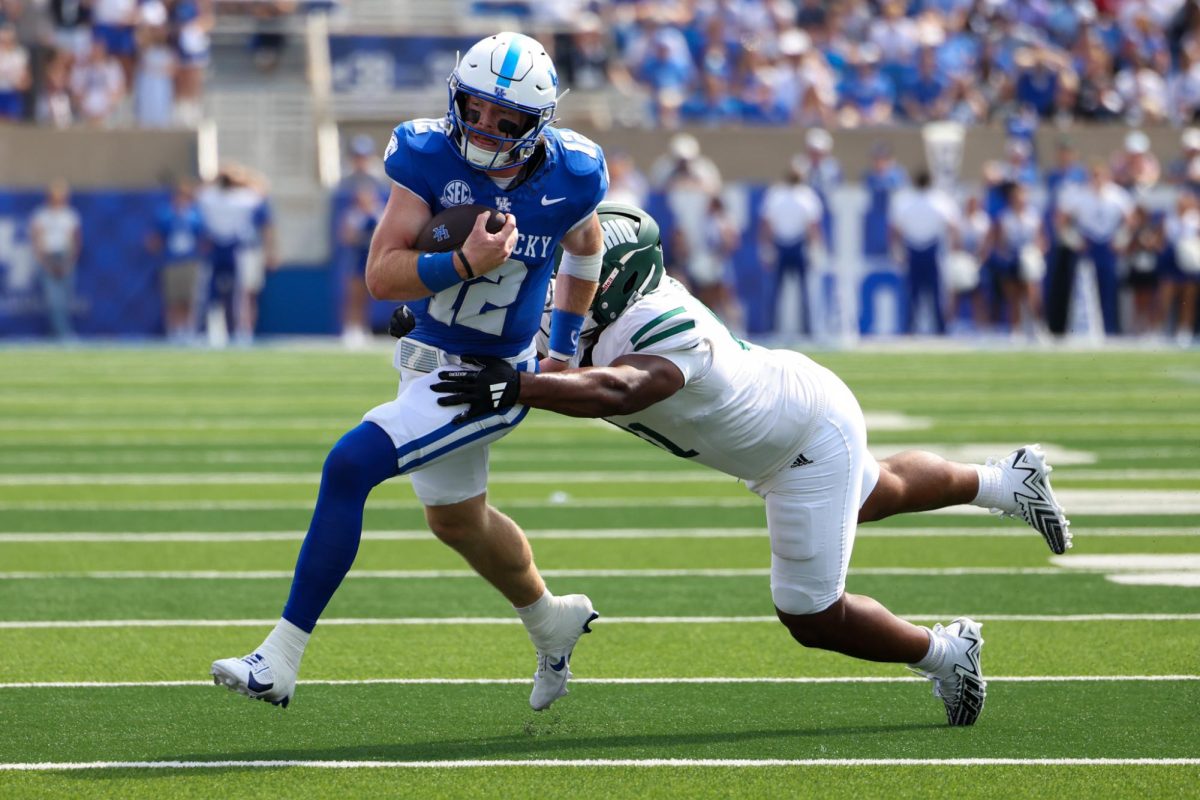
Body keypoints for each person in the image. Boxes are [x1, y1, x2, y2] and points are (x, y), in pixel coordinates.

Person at [431, 203, 1074, 727]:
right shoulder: (592, 309)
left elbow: (618, 390)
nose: (566, 285)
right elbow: (534, 350)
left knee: (810, 614)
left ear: (620, 277)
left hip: (800, 444)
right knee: (878, 491)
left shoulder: (665, 323)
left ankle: (946, 653)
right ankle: (1005, 480)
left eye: (587, 270)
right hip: (795, 411)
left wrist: (517, 387)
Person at [211, 31, 608, 713]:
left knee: (349, 464)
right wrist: (456, 268)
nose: (483, 125)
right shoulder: (425, 155)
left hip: (484, 379)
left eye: (504, 118)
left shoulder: (572, 174)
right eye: (473, 107)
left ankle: (279, 657)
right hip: (424, 357)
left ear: (536, 127)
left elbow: (586, 244)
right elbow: (380, 276)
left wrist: (563, 349)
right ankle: (551, 618)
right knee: (457, 522)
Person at [146, 177, 205, 341]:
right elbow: (156, 237)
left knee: (189, 298)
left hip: (190, 261)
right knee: (173, 299)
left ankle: (189, 330)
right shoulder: (166, 214)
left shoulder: (195, 215)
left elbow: (202, 237)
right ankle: (174, 331)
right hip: (171, 262)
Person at [29, 179, 81, 339]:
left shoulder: (70, 215)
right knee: (53, 300)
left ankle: (62, 332)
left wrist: (70, 261)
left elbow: (75, 240)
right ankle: (61, 334)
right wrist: (44, 262)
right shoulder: (41, 215)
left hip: (65, 257)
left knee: (65, 300)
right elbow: (37, 240)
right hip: (48, 257)